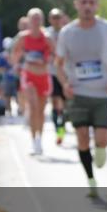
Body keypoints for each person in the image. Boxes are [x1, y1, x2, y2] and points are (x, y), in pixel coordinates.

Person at [55, 0, 107, 198]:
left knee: (103, 140)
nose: (87, 6)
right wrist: (64, 83)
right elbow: (58, 63)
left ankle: (101, 148)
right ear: (76, 4)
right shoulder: (67, 32)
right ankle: (91, 179)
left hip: (103, 93)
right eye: (83, 2)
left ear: (97, 5)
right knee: (82, 138)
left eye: (91, 2)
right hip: (78, 93)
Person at [11, 8, 55, 155]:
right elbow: (14, 53)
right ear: (29, 21)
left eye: (38, 18)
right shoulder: (23, 37)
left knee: (41, 111)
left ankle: (38, 140)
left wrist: (47, 59)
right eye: (33, 18)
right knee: (33, 106)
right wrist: (16, 64)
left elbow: (56, 55)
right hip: (29, 75)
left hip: (43, 76)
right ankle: (32, 140)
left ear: (41, 20)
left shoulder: (47, 38)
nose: (36, 21)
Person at [46, 8, 69, 144]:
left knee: (65, 105)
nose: (56, 20)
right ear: (50, 19)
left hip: (66, 73)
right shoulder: (46, 34)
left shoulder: (68, 32)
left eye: (58, 17)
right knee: (55, 103)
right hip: (52, 73)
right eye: (53, 17)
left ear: (62, 18)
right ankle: (59, 130)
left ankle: (63, 126)